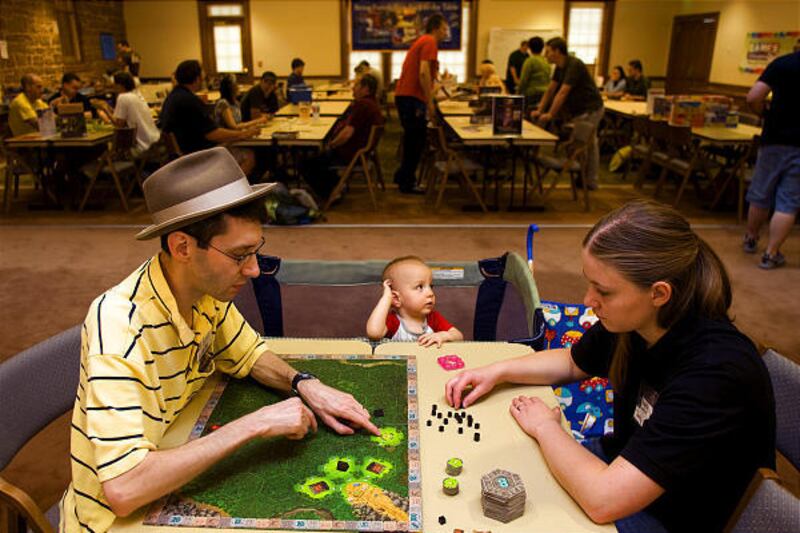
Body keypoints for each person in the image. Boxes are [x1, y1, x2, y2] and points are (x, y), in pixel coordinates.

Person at [62, 147, 382, 533]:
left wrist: (304, 384)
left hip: (175, 455)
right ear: (182, 247)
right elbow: (124, 488)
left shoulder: (204, 292)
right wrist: (256, 423)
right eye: (238, 255)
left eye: (256, 251)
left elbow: (248, 353)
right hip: (114, 520)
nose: (253, 270)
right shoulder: (119, 327)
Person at [445, 199, 775, 533]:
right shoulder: (639, 321)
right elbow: (572, 362)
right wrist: (496, 371)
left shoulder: (716, 375)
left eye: (603, 290)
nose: (588, 300)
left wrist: (546, 427)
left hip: (672, 516)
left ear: (659, 293)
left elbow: (603, 500)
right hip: (620, 467)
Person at [743, 48, 800, 269]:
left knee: (760, 193)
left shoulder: (783, 63)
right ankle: (771, 253)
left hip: (774, 138)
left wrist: (764, 114)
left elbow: (753, 97)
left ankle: (750, 238)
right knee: (788, 202)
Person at [160, 60, 258, 175]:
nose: (204, 80)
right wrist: (242, 134)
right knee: (249, 156)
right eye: (203, 77)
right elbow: (213, 134)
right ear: (197, 79)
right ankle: (229, 190)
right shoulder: (189, 101)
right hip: (198, 156)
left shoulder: (172, 97)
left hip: (181, 155)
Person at [532, 37, 604, 190]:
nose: (546, 55)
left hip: (590, 108)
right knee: (580, 145)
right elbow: (551, 90)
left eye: (548, 51)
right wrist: (540, 109)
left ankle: (590, 181)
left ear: (558, 51)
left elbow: (563, 92)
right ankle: (584, 178)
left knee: (588, 145)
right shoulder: (560, 67)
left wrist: (550, 114)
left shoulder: (574, 64)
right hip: (578, 110)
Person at [302, 74, 385, 200]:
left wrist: (331, 145)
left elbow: (347, 134)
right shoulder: (372, 103)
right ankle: (336, 186)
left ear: (366, 89)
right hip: (363, 151)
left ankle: (331, 194)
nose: (353, 88)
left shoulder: (363, 105)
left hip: (352, 154)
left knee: (307, 163)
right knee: (319, 158)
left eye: (356, 85)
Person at [393, 13, 449, 194]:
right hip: (412, 98)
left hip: (406, 96)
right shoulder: (430, 42)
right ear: (435, 28)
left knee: (412, 140)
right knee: (415, 142)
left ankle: (402, 176)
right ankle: (407, 183)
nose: (446, 32)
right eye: (444, 28)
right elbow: (423, 73)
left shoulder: (422, 41)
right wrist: (430, 103)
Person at [367, 256, 463, 346]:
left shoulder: (433, 318)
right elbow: (374, 333)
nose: (430, 293)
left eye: (431, 286)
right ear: (396, 298)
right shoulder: (393, 321)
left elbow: (459, 336)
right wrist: (387, 297)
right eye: (420, 287)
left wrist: (443, 335)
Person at [110, 71, 160, 155]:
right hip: (155, 140)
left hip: (142, 146)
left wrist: (104, 109)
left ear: (119, 85)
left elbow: (119, 125)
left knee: (111, 147)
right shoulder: (137, 95)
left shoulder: (123, 97)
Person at [516, 36, 549, 112]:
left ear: (529, 48)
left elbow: (523, 80)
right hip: (545, 94)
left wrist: (517, 94)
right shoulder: (546, 61)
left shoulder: (530, 61)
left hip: (532, 95)